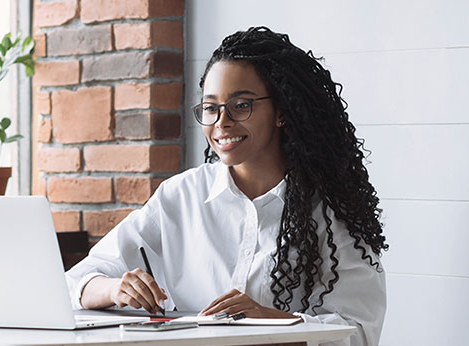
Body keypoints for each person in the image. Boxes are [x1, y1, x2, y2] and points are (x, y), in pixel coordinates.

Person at [65, 26, 388, 346]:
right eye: (210, 107)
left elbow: (358, 331)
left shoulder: (330, 209)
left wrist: (272, 321)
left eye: (241, 105)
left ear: (281, 112)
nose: (221, 122)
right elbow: (72, 283)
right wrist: (114, 288)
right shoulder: (182, 195)